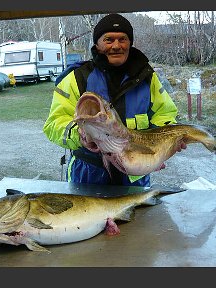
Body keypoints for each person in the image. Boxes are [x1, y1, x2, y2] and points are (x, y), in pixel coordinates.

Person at [43, 13, 185, 187]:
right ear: (97, 44)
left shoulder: (148, 78)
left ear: (130, 43)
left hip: (135, 175)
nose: (116, 45)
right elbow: (54, 124)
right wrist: (78, 136)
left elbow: (165, 115)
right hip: (87, 174)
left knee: (137, 215)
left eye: (122, 39)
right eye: (109, 39)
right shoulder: (75, 77)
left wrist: (161, 148)